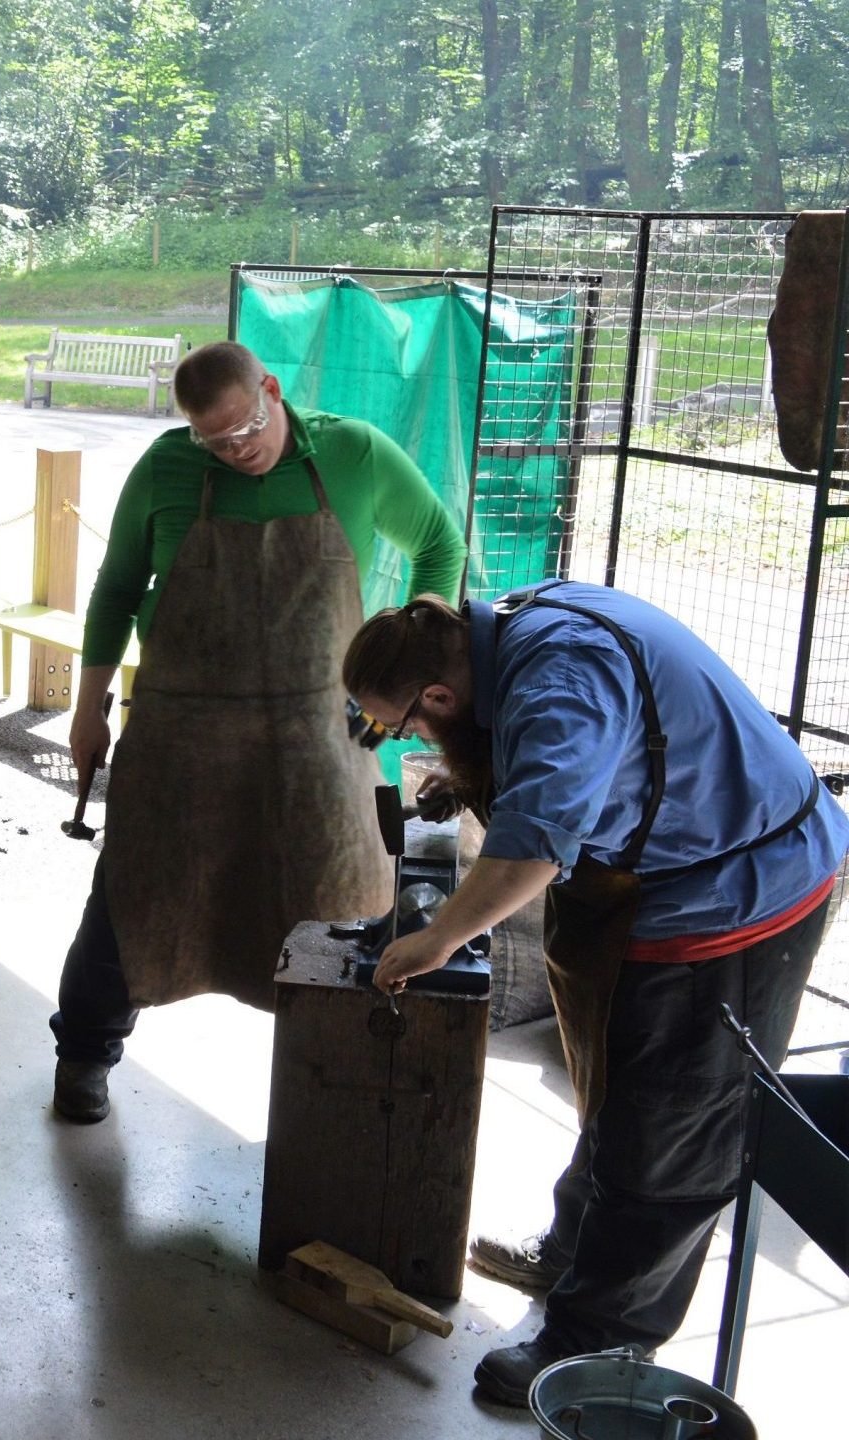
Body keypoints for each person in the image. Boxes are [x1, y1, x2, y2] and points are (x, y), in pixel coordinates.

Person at [343, 584, 845, 1406]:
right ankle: (572, 1253)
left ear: (437, 695)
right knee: (620, 1095)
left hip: (741, 897)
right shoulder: (503, 631)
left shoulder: (562, 677)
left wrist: (436, 939)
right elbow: (554, 762)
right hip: (658, 875)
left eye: (405, 726)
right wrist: (468, 781)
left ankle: (597, 1345)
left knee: (674, 1133)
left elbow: (534, 849)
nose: (409, 738)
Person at [52, 341, 465, 1123]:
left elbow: (441, 544)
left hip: (320, 740)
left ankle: (345, 1080)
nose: (237, 450)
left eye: (246, 429)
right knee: (130, 901)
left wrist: (404, 672)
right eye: (216, 441)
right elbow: (115, 588)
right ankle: (84, 1054)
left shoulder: (354, 453)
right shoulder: (167, 470)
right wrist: (89, 704)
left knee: (341, 906)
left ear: (272, 391)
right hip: (183, 736)